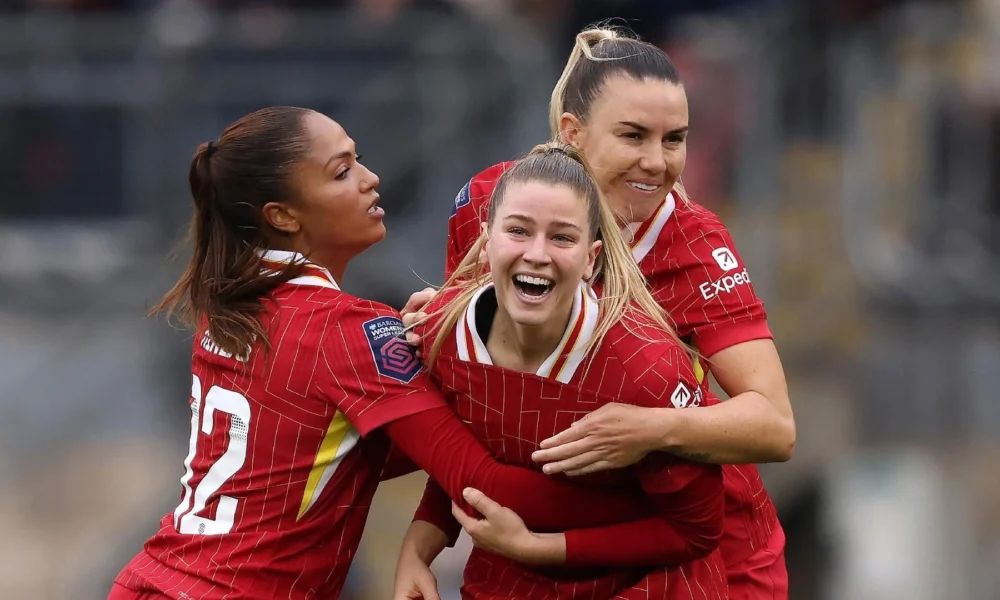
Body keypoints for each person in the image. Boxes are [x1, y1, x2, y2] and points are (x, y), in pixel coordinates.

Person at [107, 107, 673, 600]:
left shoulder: (229, 302)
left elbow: (329, 451)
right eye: (342, 171)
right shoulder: (350, 334)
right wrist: (653, 514)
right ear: (283, 216)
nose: (371, 179)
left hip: (153, 579)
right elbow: (483, 486)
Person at [400, 27, 794, 599]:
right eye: (633, 135)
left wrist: (650, 430)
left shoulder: (693, 244)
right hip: (541, 541)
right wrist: (422, 542)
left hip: (700, 545)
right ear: (572, 132)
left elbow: (774, 427)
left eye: (675, 139)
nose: (657, 163)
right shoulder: (495, 206)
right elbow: (481, 402)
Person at [394, 143, 728, 600]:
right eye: (518, 231)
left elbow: (697, 532)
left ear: (591, 259)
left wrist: (540, 548)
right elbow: (462, 455)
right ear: (487, 240)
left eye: (562, 238)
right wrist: (420, 546)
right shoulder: (437, 334)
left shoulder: (646, 370)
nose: (537, 253)